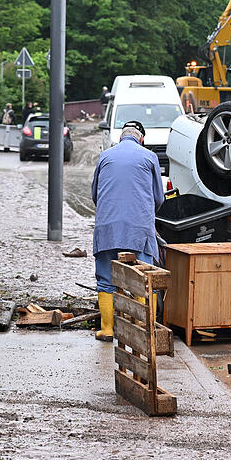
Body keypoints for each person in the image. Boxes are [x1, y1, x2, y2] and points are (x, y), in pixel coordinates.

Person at [91, 120, 164, 341]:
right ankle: (143, 329)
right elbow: (158, 198)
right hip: (138, 229)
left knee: (105, 278)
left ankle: (107, 329)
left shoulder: (105, 156)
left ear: (121, 137)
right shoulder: (149, 156)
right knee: (143, 278)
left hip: (107, 228)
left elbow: (95, 194)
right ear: (141, 139)